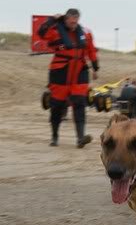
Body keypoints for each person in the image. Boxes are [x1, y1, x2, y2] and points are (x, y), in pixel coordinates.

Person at [36, 8, 99, 147]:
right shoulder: (54, 30)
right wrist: (51, 19)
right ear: (66, 19)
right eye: (71, 21)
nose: (73, 24)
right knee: (57, 106)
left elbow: (91, 50)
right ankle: (54, 136)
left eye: (76, 21)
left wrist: (95, 68)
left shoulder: (86, 32)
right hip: (60, 71)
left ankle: (81, 138)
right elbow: (41, 33)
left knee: (79, 102)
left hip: (80, 70)